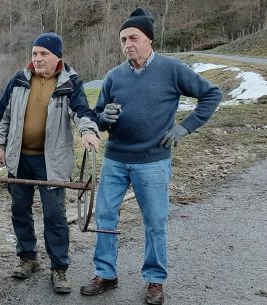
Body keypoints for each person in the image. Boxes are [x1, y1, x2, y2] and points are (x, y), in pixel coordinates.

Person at [79, 8, 222, 305]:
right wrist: (103, 118)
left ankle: (154, 280)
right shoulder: (114, 76)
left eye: (134, 37)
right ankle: (105, 274)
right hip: (115, 159)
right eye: (123, 39)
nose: (128, 44)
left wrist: (185, 128)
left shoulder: (172, 69)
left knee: (154, 222)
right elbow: (97, 117)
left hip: (154, 161)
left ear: (149, 40)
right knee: (105, 216)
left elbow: (212, 94)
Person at [0, 32, 101, 294]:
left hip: (51, 162)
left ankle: (59, 268)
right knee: (19, 209)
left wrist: (88, 131)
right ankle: (28, 258)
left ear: (57, 57)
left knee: (54, 214)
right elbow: (3, 116)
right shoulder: (18, 80)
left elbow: (82, 112)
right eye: (34, 53)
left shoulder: (70, 83)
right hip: (20, 160)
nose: (37, 58)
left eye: (44, 54)